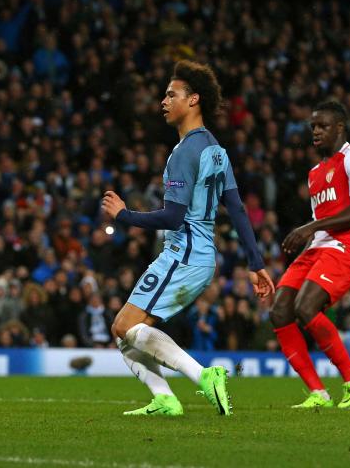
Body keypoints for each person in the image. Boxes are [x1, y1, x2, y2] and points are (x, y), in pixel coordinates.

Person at [101, 60, 274, 417]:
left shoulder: (184, 153)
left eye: (171, 94)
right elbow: (237, 210)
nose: (163, 101)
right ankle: (164, 399)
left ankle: (203, 375)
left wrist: (124, 215)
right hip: (201, 257)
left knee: (122, 326)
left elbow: (173, 216)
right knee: (128, 332)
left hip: (184, 253)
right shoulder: (216, 150)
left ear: (193, 100)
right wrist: (256, 264)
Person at [271, 100, 350, 409]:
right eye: (313, 126)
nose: (315, 131)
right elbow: (318, 228)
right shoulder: (315, 172)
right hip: (318, 247)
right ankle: (318, 393)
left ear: (339, 128)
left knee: (305, 307)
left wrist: (310, 227)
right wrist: (302, 251)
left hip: (348, 247)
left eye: (323, 126)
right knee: (279, 310)